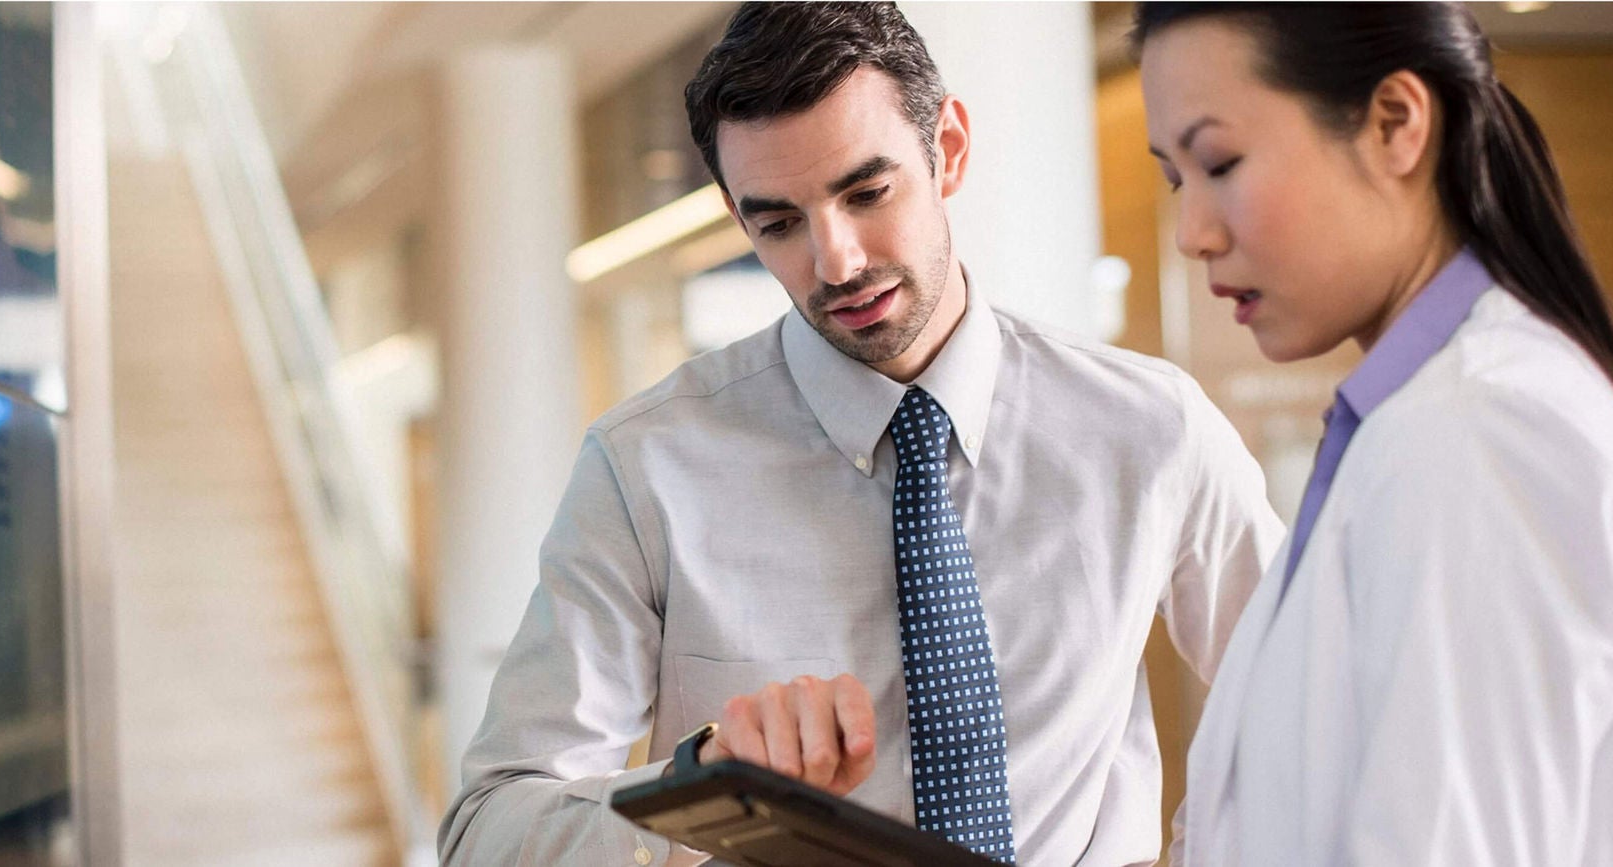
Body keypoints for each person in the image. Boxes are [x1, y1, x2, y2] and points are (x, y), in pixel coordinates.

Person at [439, 4, 1284, 864]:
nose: (835, 259)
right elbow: (488, 826)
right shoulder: (645, 466)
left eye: (867, 192)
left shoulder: (1148, 428)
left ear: (947, 149)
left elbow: (1311, 703)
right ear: (739, 220)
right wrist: (699, 785)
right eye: (779, 223)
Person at [1134, 3, 1613, 864]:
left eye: (1221, 163)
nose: (1195, 233)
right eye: (1176, 179)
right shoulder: (1419, 422)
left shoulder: (1476, 435)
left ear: (1394, 126)